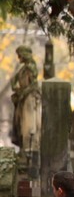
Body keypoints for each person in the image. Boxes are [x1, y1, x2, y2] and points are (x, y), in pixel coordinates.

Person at [11, 46, 42, 176]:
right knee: (22, 126)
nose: (18, 58)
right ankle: (26, 152)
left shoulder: (30, 68)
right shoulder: (23, 69)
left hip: (29, 100)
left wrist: (22, 93)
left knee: (29, 127)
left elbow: (33, 85)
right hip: (24, 101)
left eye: (20, 55)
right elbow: (14, 82)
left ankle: (29, 155)